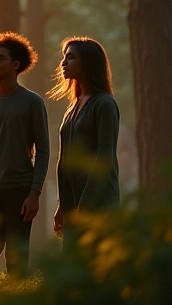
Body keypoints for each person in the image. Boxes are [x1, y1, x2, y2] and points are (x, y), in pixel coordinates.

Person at [0, 33, 50, 281]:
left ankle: (17, 298)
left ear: (16, 65)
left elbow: (44, 150)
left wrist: (34, 193)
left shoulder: (32, 102)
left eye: (0, 59)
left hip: (20, 191)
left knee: (16, 256)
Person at [49, 37, 120, 243]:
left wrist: (86, 203)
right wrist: (62, 205)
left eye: (70, 57)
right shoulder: (73, 107)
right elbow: (65, 159)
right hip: (73, 204)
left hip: (97, 204)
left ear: (88, 62)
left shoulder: (104, 104)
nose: (63, 63)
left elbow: (104, 158)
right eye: (64, 57)